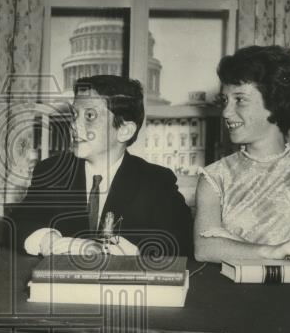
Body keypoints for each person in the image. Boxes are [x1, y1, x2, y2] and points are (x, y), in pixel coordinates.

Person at [10, 75, 193, 259]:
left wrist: (137, 252)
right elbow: (18, 223)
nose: (74, 125)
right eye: (75, 115)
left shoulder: (155, 181)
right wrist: (47, 240)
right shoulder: (52, 171)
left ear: (124, 130)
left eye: (89, 116)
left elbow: (181, 240)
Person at [192, 46, 290, 263]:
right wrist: (271, 251)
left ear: (274, 103)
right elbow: (204, 248)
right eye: (225, 101)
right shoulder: (215, 177)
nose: (226, 112)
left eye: (239, 100)